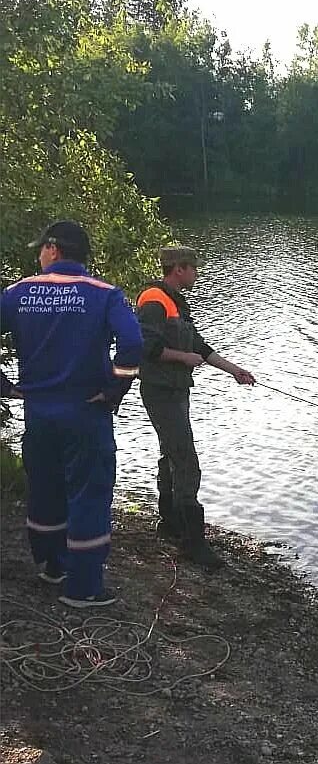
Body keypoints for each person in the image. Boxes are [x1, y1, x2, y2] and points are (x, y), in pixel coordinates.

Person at [0, 221, 142, 608]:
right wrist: (115, 389)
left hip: (38, 413)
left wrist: (3, 386)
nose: (39, 255)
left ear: (53, 249)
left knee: (45, 487)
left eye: (41, 248)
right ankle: (82, 588)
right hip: (86, 412)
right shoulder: (105, 294)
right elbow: (132, 344)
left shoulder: (17, 292)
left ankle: (51, 565)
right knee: (88, 494)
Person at [136, 246, 255, 567]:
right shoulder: (153, 299)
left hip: (176, 391)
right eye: (194, 269)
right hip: (160, 391)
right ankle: (193, 544)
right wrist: (183, 358)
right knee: (186, 462)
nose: (196, 274)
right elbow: (146, 347)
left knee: (171, 453)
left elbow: (200, 347)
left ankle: (170, 522)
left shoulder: (177, 301)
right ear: (180, 269)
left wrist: (236, 372)